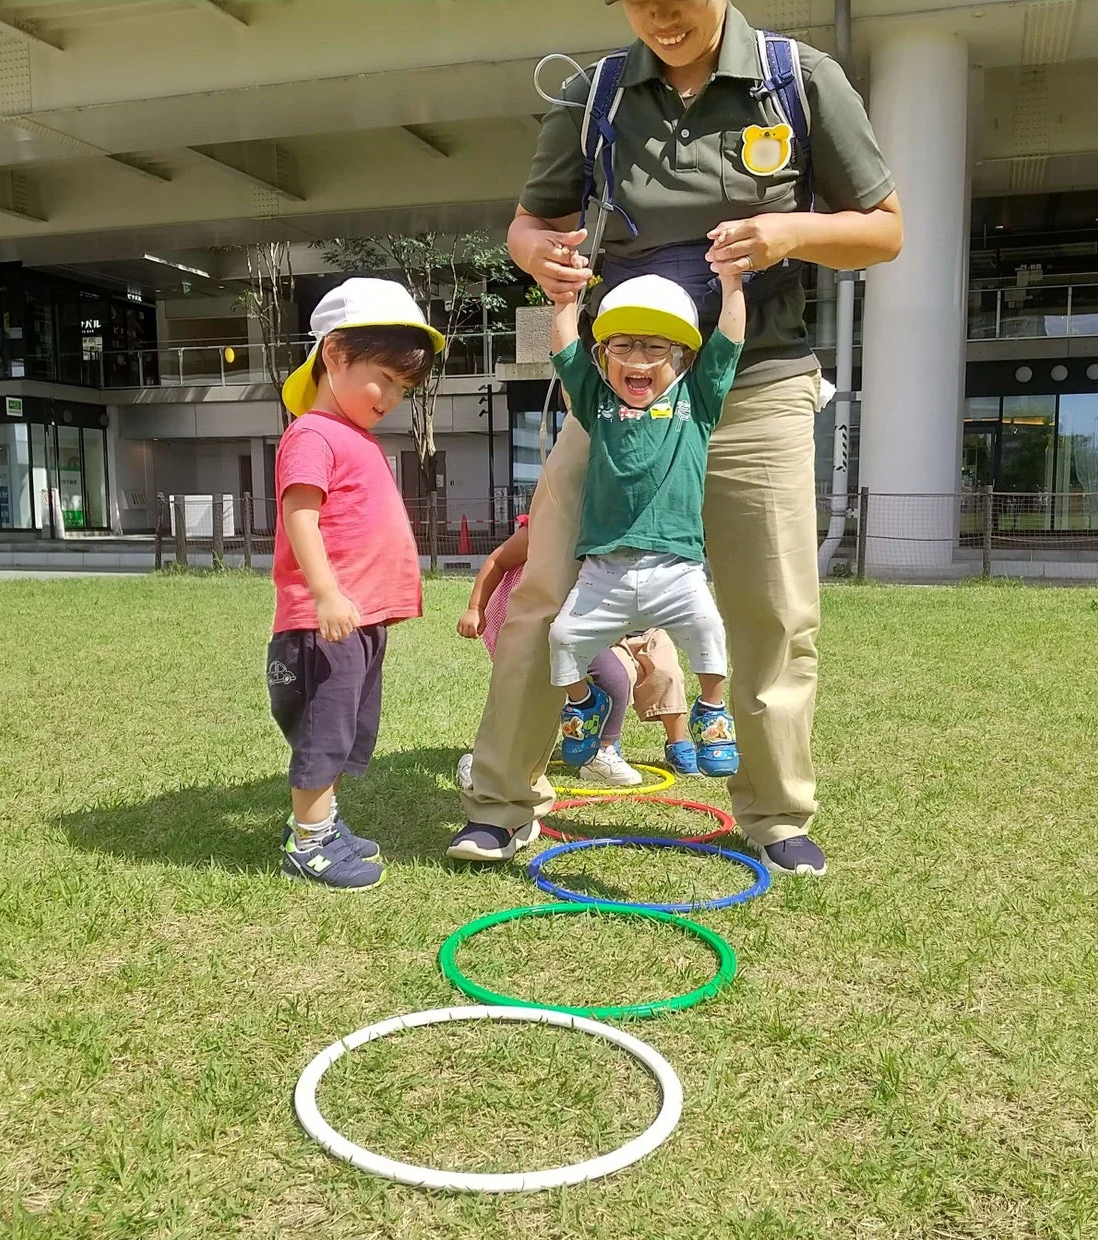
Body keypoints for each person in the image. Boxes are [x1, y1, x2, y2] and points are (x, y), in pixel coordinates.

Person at [452, 0, 902, 874]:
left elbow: (884, 229)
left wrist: (791, 233)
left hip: (757, 382)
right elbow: (529, 223)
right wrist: (537, 255)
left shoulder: (799, 82)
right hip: (621, 390)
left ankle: (774, 814)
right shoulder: (596, 95)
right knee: (544, 591)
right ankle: (502, 803)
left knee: (770, 609)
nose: (659, 12)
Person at [269, 278, 442, 891]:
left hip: (357, 619)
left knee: (346, 732)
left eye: (404, 388)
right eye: (386, 379)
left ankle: (324, 823)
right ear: (335, 353)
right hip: (325, 622)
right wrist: (324, 592)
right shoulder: (313, 434)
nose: (393, 396)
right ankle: (309, 842)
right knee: (323, 732)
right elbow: (300, 516)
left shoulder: (354, 437)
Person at [545, 270, 741, 777]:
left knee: (709, 631)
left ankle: (713, 712)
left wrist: (733, 284)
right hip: (603, 569)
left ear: (682, 359)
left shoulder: (695, 402)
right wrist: (565, 302)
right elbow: (566, 353)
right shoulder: (599, 405)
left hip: (675, 567)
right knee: (563, 637)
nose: (637, 360)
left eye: (655, 347)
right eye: (623, 346)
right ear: (604, 356)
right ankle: (584, 705)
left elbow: (729, 342)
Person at [456, 515, 698, 787]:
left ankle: (602, 752)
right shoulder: (544, 528)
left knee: (616, 678)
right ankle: (482, 763)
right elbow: (498, 560)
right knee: (527, 699)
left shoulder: (614, 529)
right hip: (531, 626)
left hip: (581, 629)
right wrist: (476, 607)